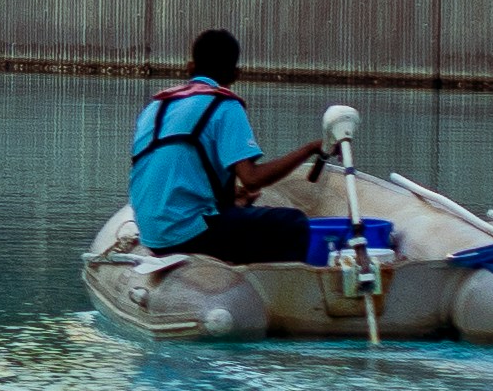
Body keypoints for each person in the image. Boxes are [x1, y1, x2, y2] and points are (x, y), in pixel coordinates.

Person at [128, 29, 337, 261]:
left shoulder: (156, 107)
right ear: (236, 74)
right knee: (294, 223)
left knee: (237, 208)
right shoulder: (225, 105)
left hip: (150, 232)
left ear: (189, 67)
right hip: (185, 234)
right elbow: (252, 178)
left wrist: (232, 201)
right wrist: (308, 149)